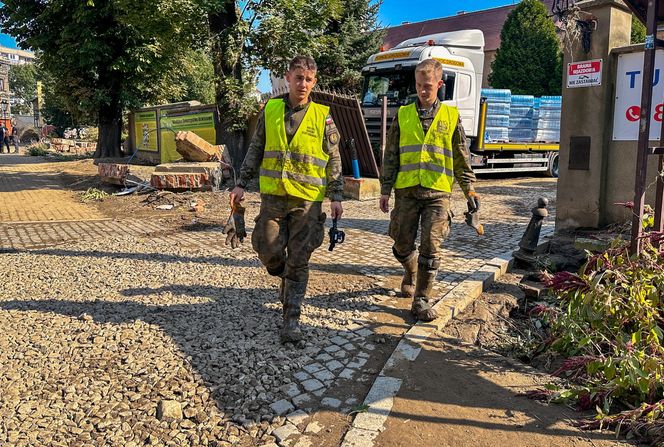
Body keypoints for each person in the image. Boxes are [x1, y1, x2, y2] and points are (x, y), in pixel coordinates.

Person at [230, 55, 344, 344]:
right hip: (274, 198)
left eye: (308, 79)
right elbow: (256, 148)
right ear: (288, 78)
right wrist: (241, 184)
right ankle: (280, 274)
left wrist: (336, 196)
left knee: (300, 259)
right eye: (298, 78)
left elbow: (334, 159)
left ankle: (291, 319)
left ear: (313, 82)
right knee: (266, 247)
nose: (302, 84)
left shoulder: (323, 116)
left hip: (308, 201)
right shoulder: (271, 110)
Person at [379, 59, 479, 322]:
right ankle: (410, 270)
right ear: (416, 84)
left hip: (437, 193)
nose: (424, 91)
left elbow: (461, 155)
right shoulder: (402, 115)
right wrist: (385, 189)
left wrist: (470, 189)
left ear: (439, 84)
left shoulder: (450, 116)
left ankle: (421, 301)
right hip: (407, 191)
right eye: (420, 86)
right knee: (401, 243)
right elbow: (391, 154)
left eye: (429, 86)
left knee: (430, 247)